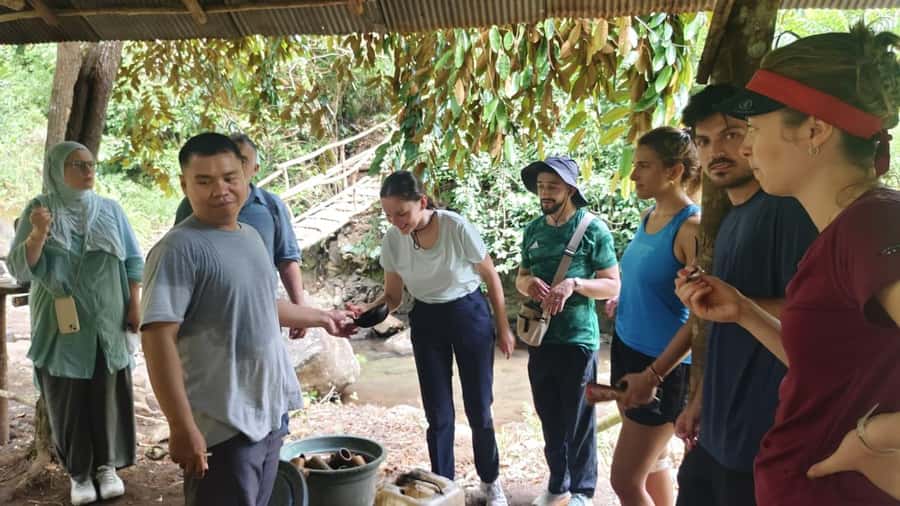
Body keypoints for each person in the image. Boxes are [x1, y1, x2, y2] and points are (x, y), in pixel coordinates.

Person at [676, 25, 900, 505]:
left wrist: (876, 438)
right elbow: (828, 366)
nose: (746, 148)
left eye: (754, 129)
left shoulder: (874, 224)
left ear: (815, 129)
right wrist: (744, 312)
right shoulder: (843, 231)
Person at [140, 133, 354, 506]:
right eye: (204, 181)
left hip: (268, 413)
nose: (220, 189)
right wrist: (180, 425)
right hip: (221, 427)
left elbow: (261, 304)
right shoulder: (178, 250)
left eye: (229, 177)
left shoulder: (252, 236)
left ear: (246, 173)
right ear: (184, 184)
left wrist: (323, 317)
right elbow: (157, 339)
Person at [663, 85, 816, 506]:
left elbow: (816, 318)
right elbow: (727, 322)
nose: (717, 151)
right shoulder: (733, 217)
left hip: (760, 436)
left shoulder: (788, 212)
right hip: (717, 431)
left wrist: (736, 305)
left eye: (731, 134)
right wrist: (699, 401)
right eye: (705, 140)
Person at [350, 170, 514, 506]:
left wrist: (504, 328)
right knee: (438, 414)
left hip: (469, 314)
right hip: (426, 318)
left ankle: (489, 482)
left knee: (479, 407)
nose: (396, 221)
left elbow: (491, 276)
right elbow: (393, 296)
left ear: (421, 202)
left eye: (402, 213)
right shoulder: (394, 239)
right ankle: (444, 487)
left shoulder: (455, 227)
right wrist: (368, 308)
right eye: (389, 215)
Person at [8, 141, 143, 505]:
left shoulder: (111, 210)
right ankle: (79, 474)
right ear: (57, 169)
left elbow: (132, 261)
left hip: (108, 321)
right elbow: (20, 269)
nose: (87, 172)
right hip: (59, 324)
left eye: (91, 165)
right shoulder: (39, 209)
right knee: (65, 396)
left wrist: (135, 305)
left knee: (106, 392)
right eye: (77, 165)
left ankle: (107, 467)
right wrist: (37, 234)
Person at [601, 127, 701, 506]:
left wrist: (654, 374)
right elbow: (650, 277)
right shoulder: (650, 214)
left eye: (644, 166)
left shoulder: (691, 227)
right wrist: (627, 297)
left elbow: (701, 318)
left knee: (625, 481)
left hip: (662, 366)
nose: (633, 174)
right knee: (654, 461)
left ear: (674, 171)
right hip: (628, 348)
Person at [515, 156, 620, 506]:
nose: (544, 193)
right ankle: (558, 483)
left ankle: (582, 491)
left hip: (578, 339)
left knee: (578, 418)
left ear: (571, 189)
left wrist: (574, 284)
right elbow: (520, 277)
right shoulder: (533, 228)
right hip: (540, 339)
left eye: (553, 187)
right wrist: (529, 284)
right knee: (548, 414)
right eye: (541, 186)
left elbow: (612, 286)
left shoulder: (592, 229)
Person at [174, 133, 307, 339]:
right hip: (209, 325)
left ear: (255, 169)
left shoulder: (270, 207)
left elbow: (286, 259)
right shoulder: (190, 211)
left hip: (264, 317)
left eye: (242, 162)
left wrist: (301, 310)